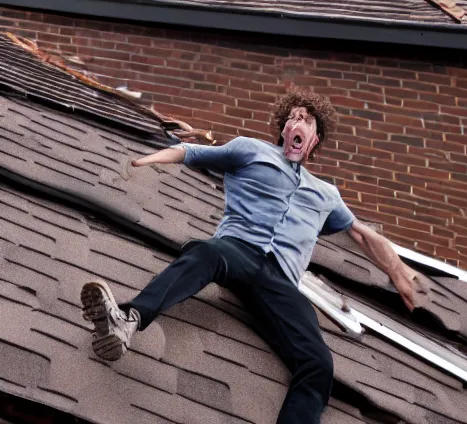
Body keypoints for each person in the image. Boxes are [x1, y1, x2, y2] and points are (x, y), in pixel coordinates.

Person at [81, 87, 420, 424]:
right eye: (292, 118)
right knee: (206, 253)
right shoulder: (250, 150)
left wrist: (397, 270)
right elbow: (189, 151)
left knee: (318, 365)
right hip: (237, 251)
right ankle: (127, 321)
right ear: (285, 130)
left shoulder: (326, 194)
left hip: (282, 284)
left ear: (315, 139)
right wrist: (142, 161)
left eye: (306, 119)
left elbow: (362, 234)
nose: (297, 122)